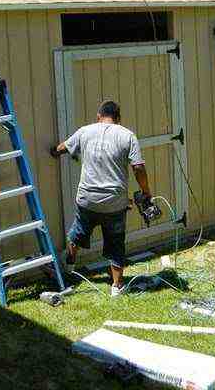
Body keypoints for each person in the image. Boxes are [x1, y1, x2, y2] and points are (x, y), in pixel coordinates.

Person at [50, 100, 152, 296]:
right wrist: (146, 192)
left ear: (99, 116)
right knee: (115, 242)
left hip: (87, 199)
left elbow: (62, 148)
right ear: (118, 118)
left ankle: (69, 269)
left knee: (77, 233)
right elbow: (138, 167)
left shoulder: (85, 131)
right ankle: (117, 286)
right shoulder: (127, 136)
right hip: (114, 203)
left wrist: (54, 151)